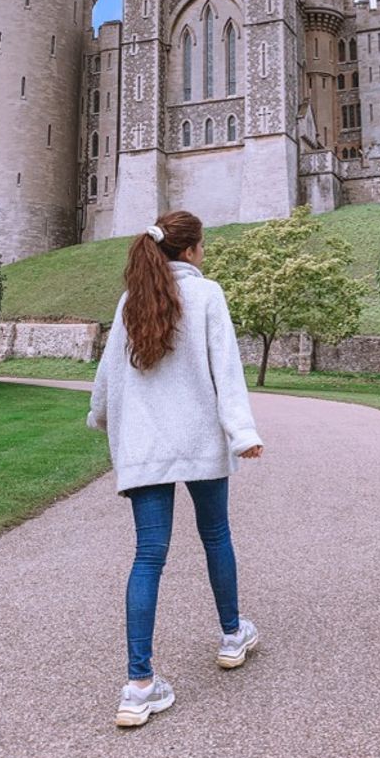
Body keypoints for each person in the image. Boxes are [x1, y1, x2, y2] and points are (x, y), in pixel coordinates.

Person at [87, 210, 264, 728]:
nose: (204, 252)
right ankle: (232, 636)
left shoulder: (129, 302)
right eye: (202, 245)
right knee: (215, 535)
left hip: (145, 448)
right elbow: (225, 369)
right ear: (189, 251)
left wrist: (100, 415)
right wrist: (243, 432)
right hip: (200, 440)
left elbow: (108, 375)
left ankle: (138, 685)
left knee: (147, 558)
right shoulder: (207, 295)